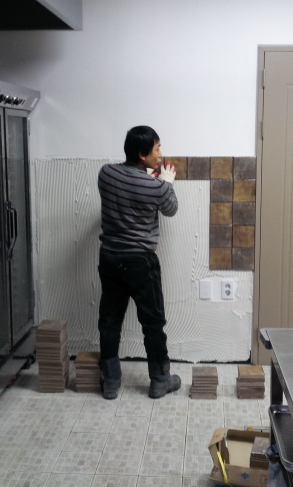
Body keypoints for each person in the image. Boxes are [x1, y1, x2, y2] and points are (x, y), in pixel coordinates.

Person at [96, 125, 181, 400]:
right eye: (157, 149)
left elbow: (128, 186)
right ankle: (160, 380)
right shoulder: (156, 187)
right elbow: (171, 209)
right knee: (153, 322)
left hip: (110, 257)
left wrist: (151, 180)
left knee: (110, 320)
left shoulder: (106, 174)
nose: (160, 154)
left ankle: (110, 381)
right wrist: (166, 182)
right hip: (140, 261)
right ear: (143, 155)